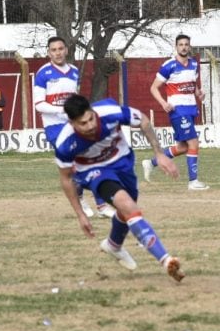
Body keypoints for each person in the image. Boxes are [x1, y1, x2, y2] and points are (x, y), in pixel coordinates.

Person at [46, 94, 185, 282]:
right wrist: (80, 214)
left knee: (127, 209)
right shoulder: (64, 143)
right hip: (94, 172)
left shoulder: (111, 113)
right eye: (82, 124)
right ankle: (166, 260)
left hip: (123, 163)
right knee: (129, 206)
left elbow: (143, 120)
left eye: (91, 119)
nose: (90, 126)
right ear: (72, 123)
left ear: (94, 112)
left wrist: (159, 154)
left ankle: (113, 244)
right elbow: (65, 179)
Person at [33, 36, 114, 218]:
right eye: (53, 50)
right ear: (49, 52)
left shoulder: (74, 71)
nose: (58, 52)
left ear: (66, 50)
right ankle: (82, 199)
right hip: (54, 127)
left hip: (73, 125)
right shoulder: (43, 73)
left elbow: (74, 99)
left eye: (60, 49)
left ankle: (101, 205)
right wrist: (61, 110)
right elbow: (38, 104)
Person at [143, 34, 209, 191]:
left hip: (191, 108)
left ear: (189, 47)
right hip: (177, 110)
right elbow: (153, 88)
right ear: (176, 47)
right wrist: (163, 103)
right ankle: (193, 182)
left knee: (183, 147)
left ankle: (151, 163)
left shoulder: (194, 64)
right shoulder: (169, 66)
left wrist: (199, 93)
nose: (184, 47)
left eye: (186, 44)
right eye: (181, 44)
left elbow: (193, 85)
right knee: (194, 143)